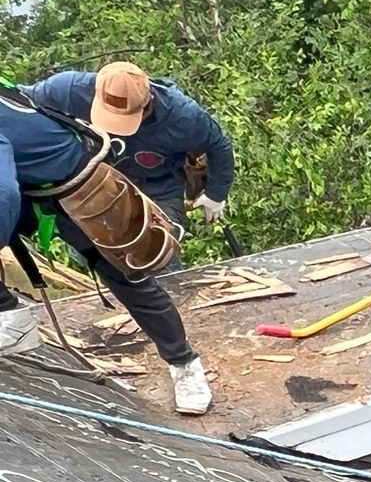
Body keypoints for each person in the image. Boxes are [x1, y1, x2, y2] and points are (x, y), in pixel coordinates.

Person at [0, 91, 211, 414]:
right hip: (34, 187)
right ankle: (7, 311)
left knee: (129, 276)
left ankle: (185, 365)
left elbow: (3, 194)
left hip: (82, 189)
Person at [27, 62, 235, 236]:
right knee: (99, 248)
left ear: (148, 103)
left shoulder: (184, 116)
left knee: (157, 247)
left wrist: (216, 194)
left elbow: (219, 144)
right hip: (95, 185)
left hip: (158, 187)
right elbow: (18, 103)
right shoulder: (69, 90)